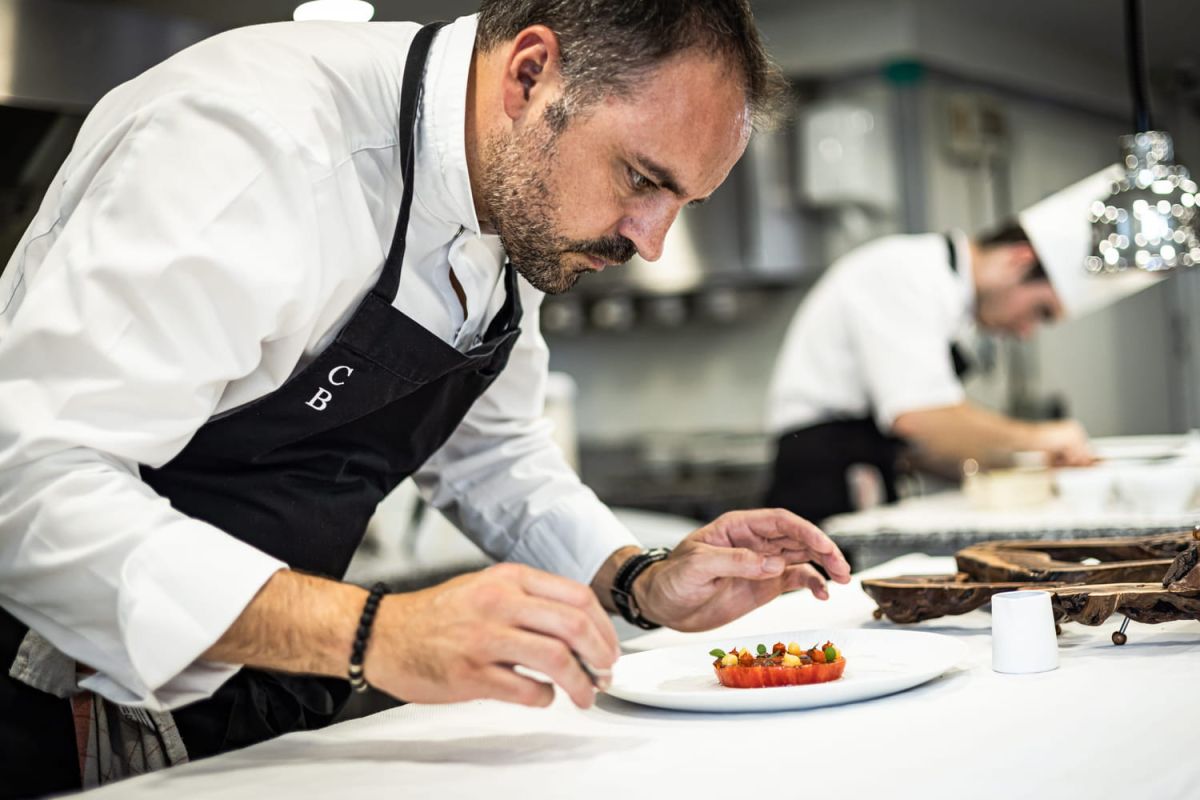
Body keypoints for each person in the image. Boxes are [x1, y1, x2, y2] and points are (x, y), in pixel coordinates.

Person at [0, 2, 853, 795]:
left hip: (259, 700)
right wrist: (378, 634)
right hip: (69, 693)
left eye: (683, 202)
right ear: (531, 75)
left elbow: (493, 451)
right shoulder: (257, 144)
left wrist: (639, 580)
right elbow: (30, 489)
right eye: (641, 179)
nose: (654, 243)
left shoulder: (512, 201)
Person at [763, 166, 1162, 524]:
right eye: (1040, 311)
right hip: (821, 481)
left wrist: (1030, 464)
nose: (1027, 331)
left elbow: (924, 443)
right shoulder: (906, 274)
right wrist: (1040, 439)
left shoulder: (950, 303)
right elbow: (920, 419)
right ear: (1019, 260)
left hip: (864, 471)